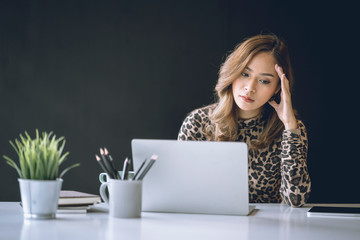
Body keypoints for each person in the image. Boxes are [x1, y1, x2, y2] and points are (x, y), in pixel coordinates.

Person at [177, 34, 311, 207]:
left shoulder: (289, 129)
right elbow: (180, 191)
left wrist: (290, 127)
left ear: (278, 88)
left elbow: (296, 200)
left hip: (266, 229)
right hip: (210, 226)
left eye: (264, 81)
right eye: (245, 74)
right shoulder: (198, 122)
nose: (250, 88)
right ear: (232, 73)